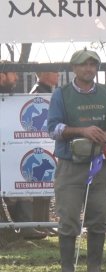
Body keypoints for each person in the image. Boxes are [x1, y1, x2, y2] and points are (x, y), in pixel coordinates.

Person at [47, 49, 106, 272]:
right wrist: (82, 130)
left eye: (93, 64)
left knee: (99, 217)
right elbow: (53, 129)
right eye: (83, 65)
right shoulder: (62, 94)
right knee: (68, 217)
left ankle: (94, 269)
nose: (89, 69)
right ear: (74, 68)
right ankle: (68, 271)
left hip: (100, 164)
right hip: (70, 165)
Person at [1, 61, 47, 240]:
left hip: (12, 150)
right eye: (13, 74)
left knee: (20, 187)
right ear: (2, 76)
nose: (17, 78)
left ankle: (26, 228)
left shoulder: (13, 97)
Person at [30, 71, 60, 237]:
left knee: (47, 186)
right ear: (43, 75)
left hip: (47, 142)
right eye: (54, 72)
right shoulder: (38, 92)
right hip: (39, 144)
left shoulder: (47, 91)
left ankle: (45, 223)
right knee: (39, 188)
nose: (58, 75)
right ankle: (38, 224)